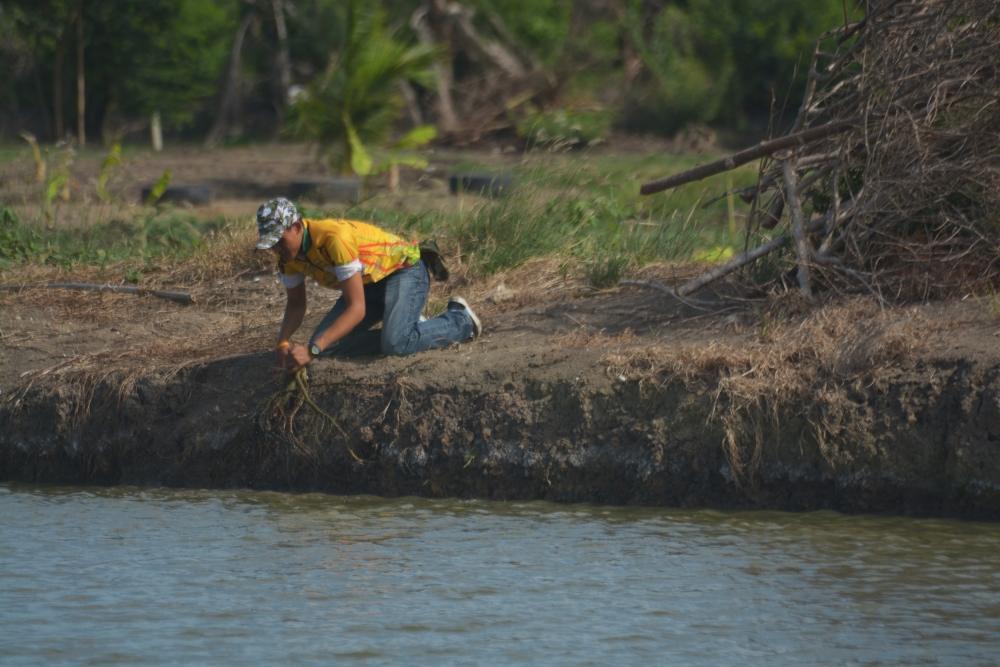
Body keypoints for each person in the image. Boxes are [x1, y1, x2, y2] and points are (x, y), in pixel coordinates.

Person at [255, 197, 481, 370]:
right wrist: (282, 342)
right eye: (271, 245)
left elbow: (357, 308)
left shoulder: (334, 239)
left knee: (395, 345)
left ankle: (459, 320)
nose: (277, 250)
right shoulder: (289, 258)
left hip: (403, 271)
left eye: (279, 241)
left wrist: (312, 350)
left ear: (296, 227)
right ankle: (409, 327)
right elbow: (296, 305)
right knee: (327, 346)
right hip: (368, 285)